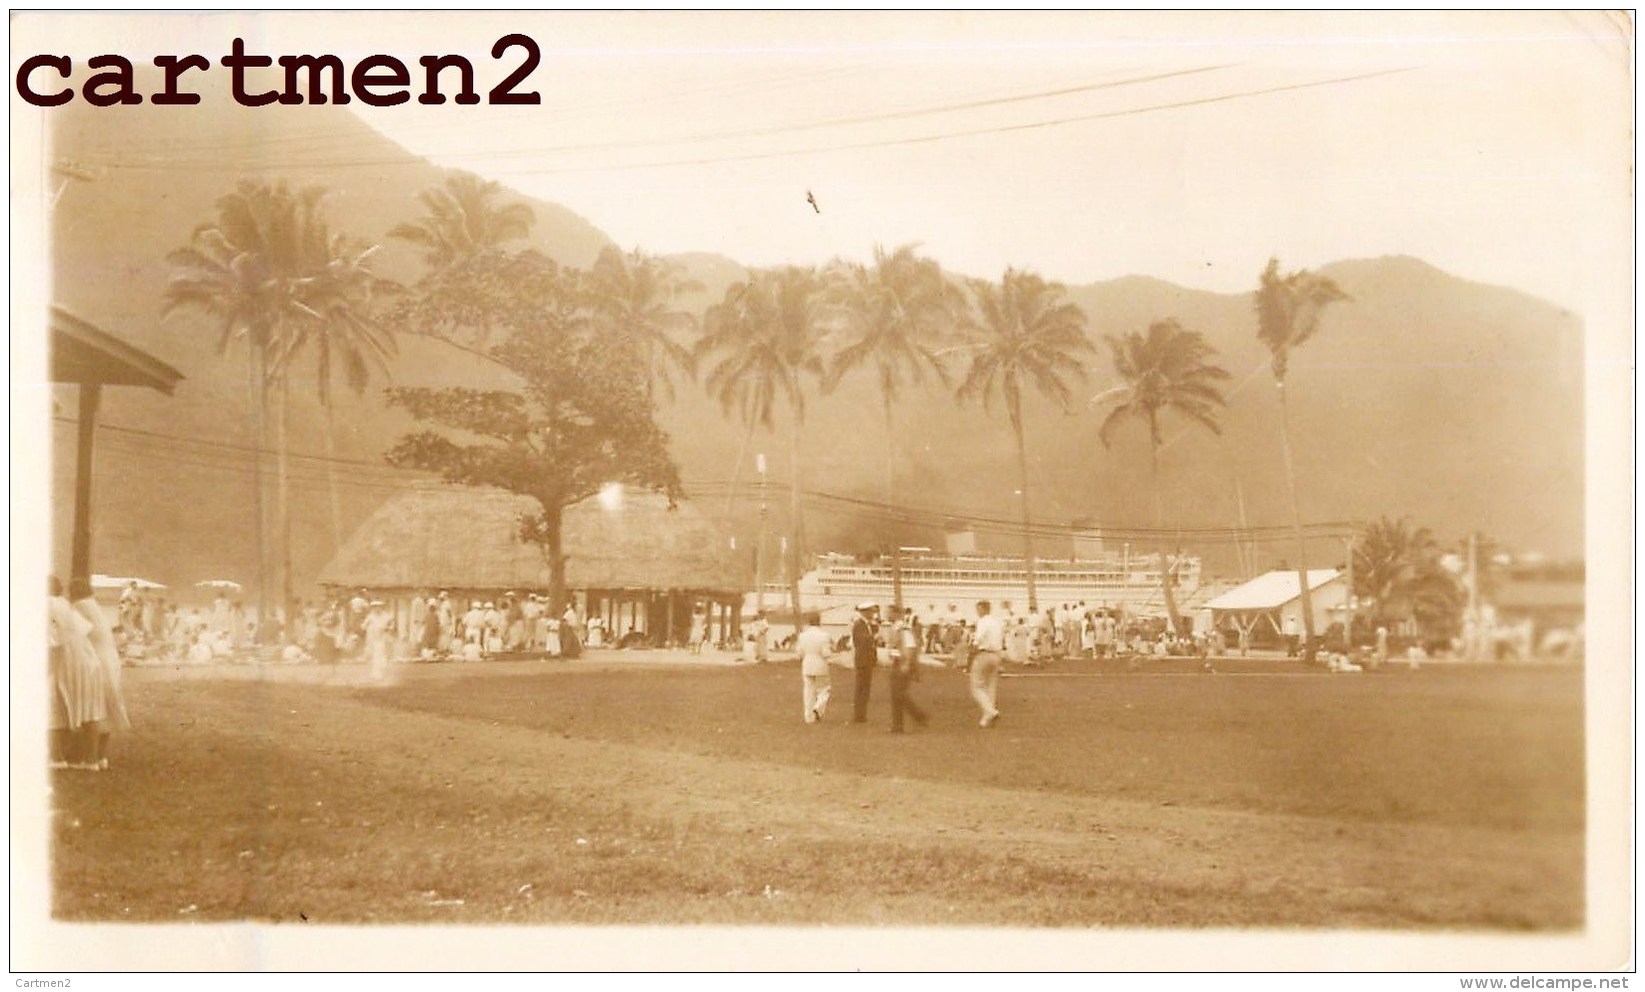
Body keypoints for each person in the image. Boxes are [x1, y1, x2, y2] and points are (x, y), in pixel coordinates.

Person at [49, 577, 107, 769]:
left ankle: (56, 758)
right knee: (90, 710)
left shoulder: (45, 605)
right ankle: (92, 760)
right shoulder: (66, 605)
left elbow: (53, 642)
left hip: (67, 662)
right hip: (89, 661)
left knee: (56, 709)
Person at [888, 607, 928, 733]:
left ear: (896, 614)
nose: (887, 615)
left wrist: (906, 664)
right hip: (897, 662)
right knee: (898, 695)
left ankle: (901, 725)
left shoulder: (903, 629)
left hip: (902, 663)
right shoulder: (896, 627)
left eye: (889, 613)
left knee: (898, 695)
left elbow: (910, 646)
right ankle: (917, 717)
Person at [969, 599, 1005, 729]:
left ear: (983, 609)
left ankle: (991, 712)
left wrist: (971, 655)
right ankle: (986, 719)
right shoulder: (997, 622)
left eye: (978, 609)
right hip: (996, 655)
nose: (977, 612)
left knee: (976, 687)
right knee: (991, 688)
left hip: (984, 654)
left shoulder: (983, 622)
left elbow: (977, 640)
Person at [794, 612, 833, 724]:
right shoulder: (824, 635)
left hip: (807, 664)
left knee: (808, 691)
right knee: (824, 689)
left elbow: (799, 653)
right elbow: (826, 653)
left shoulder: (802, 635)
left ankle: (808, 717)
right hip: (820, 665)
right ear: (819, 621)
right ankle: (818, 707)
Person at [850, 602, 879, 724]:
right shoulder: (859, 625)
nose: (873, 614)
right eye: (871, 611)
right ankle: (859, 715)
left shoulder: (867, 625)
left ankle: (861, 715)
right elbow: (862, 640)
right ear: (865, 612)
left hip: (867, 661)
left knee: (865, 688)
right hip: (862, 661)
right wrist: (874, 637)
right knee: (861, 688)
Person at [363, 600, 392, 680]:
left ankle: (379, 673)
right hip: (372, 638)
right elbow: (363, 626)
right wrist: (370, 628)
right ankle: (375, 673)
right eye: (375, 607)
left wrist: (386, 628)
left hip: (382, 638)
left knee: (380, 654)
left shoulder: (386, 616)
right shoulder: (371, 616)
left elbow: (391, 625)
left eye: (378, 607)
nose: (376, 609)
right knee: (375, 655)